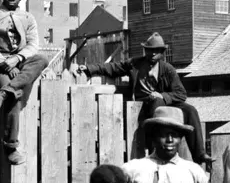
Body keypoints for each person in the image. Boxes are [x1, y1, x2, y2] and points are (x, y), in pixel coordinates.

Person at [77, 32, 212, 165]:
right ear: (145, 51)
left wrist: (163, 96)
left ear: (161, 53)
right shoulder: (135, 64)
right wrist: (89, 69)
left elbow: (181, 94)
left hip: (164, 102)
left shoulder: (167, 69)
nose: (152, 54)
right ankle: (156, 152)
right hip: (143, 105)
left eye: (156, 51)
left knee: (190, 110)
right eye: (149, 50)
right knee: (156, 102)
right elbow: (113, 67)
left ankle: (200, 155)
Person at [0, 0, 48, 165]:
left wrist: (17, 59)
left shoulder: (28, 18)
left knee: (42, 59)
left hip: (21, 61)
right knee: (14, 96)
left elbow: (34, 45)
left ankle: (4, 92)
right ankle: (10, 146)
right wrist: (4, 63)